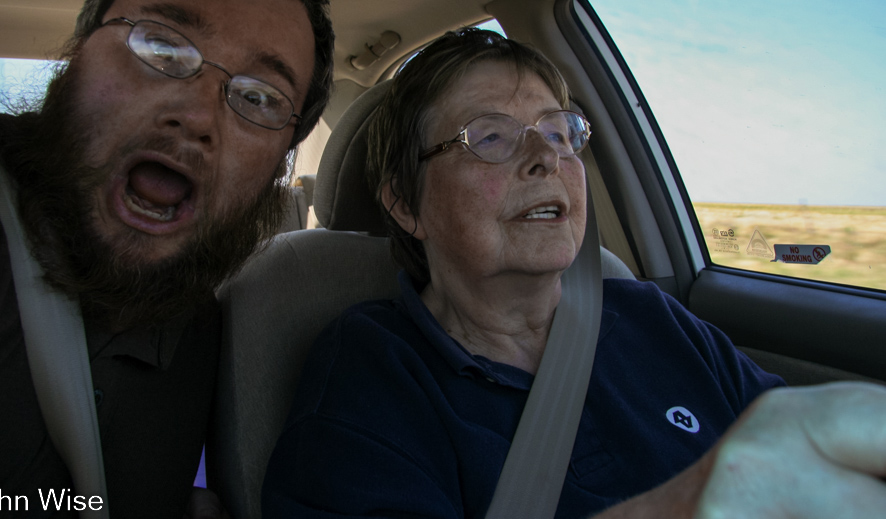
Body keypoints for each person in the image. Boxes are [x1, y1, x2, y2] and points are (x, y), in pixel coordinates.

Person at [261, 29, 886, 518]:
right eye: (491, 137)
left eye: (560, 132)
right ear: (403, 202)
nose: (546, 158)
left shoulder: (652, 316)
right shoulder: (371, 370)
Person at [0, 0, 332, 518]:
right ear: (77, 52)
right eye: (161, 47)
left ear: (281, 158)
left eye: (259, 98)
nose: (198, 115)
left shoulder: (206, 326)